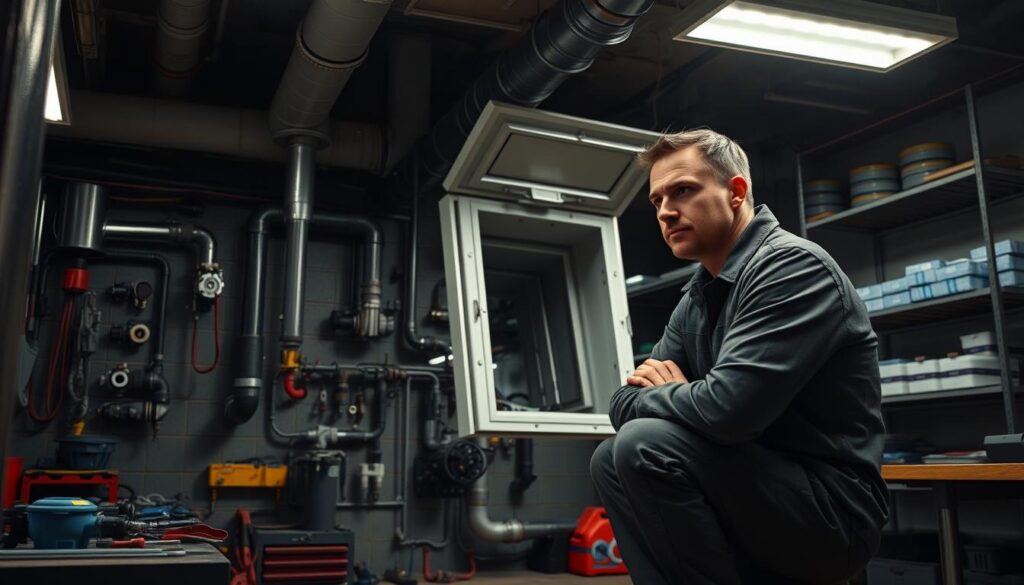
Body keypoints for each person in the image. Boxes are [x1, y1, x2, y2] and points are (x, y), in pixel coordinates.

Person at [590, 129, 888, 585]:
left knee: (643, 444)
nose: (666, 211)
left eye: (683, 190)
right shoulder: (699, 295)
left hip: (832, 514)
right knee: (610, 457)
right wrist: (689, 396)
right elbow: (622, 402)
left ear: (735, 192)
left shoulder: (791, 267)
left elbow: (728, 412)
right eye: (657, 200)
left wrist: (675, 393)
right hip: (755, 489)